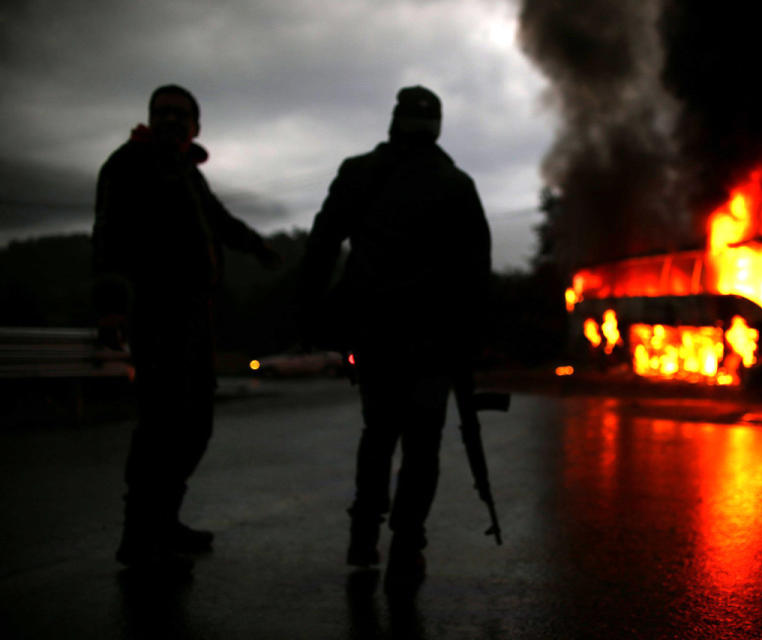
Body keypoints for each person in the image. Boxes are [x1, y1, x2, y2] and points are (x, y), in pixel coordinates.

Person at [301, 85, 491, 590]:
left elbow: (322, 245)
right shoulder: (457, 183)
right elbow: (476, 271)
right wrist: (470, 339)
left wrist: (310, 315)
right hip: (432, 338)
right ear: (437, 129)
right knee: (421, 443)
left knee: (379, 432)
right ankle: (406, 547)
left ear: (394, 122)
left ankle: (364, 538)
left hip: (375, 332)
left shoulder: (358, 172)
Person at [93, 84, 281, 574]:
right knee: (161, 424)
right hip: (157, 312)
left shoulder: (186, 172)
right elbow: (109, 236)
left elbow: (219, 222)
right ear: (151, 118)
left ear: (196, 126)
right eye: (164, 112)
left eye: (182, 114)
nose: (172, 120)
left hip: (196, 315)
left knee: (195, 422)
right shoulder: (129, 164)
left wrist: (259, 247)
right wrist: (111, 306)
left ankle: (165, 522)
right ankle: (139, 537)